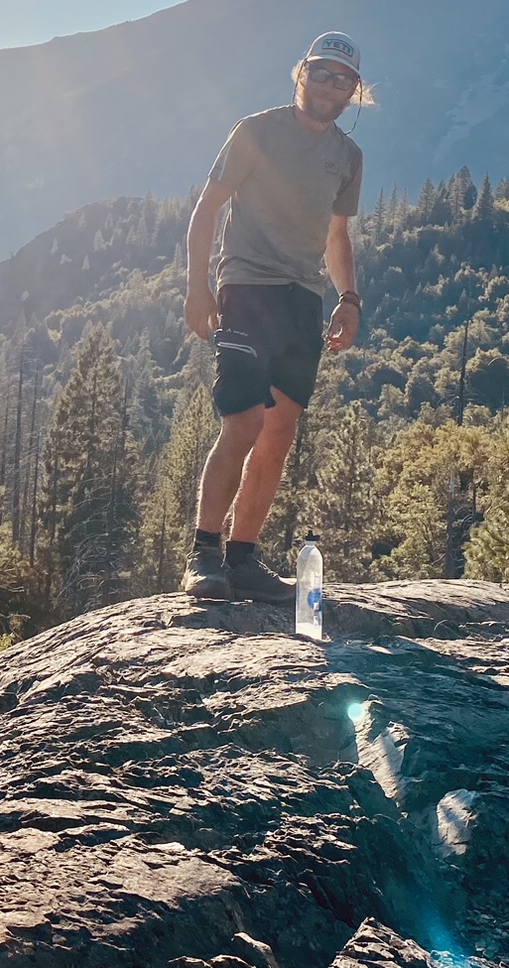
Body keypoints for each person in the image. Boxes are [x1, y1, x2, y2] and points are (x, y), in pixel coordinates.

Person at [181, 31, 366, 603]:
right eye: (320, 72)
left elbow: (337, 235)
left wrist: (349, 298)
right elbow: (207, 208)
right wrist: (197, 287)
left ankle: (243, 558)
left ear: (354, 91)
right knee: (243, 422)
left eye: (342, 78)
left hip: (301, 301)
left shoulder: (348, 157)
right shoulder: (256, 130)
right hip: (245, 288)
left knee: (280, 431)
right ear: (301, 73)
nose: (329, 84)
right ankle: (203, 556)